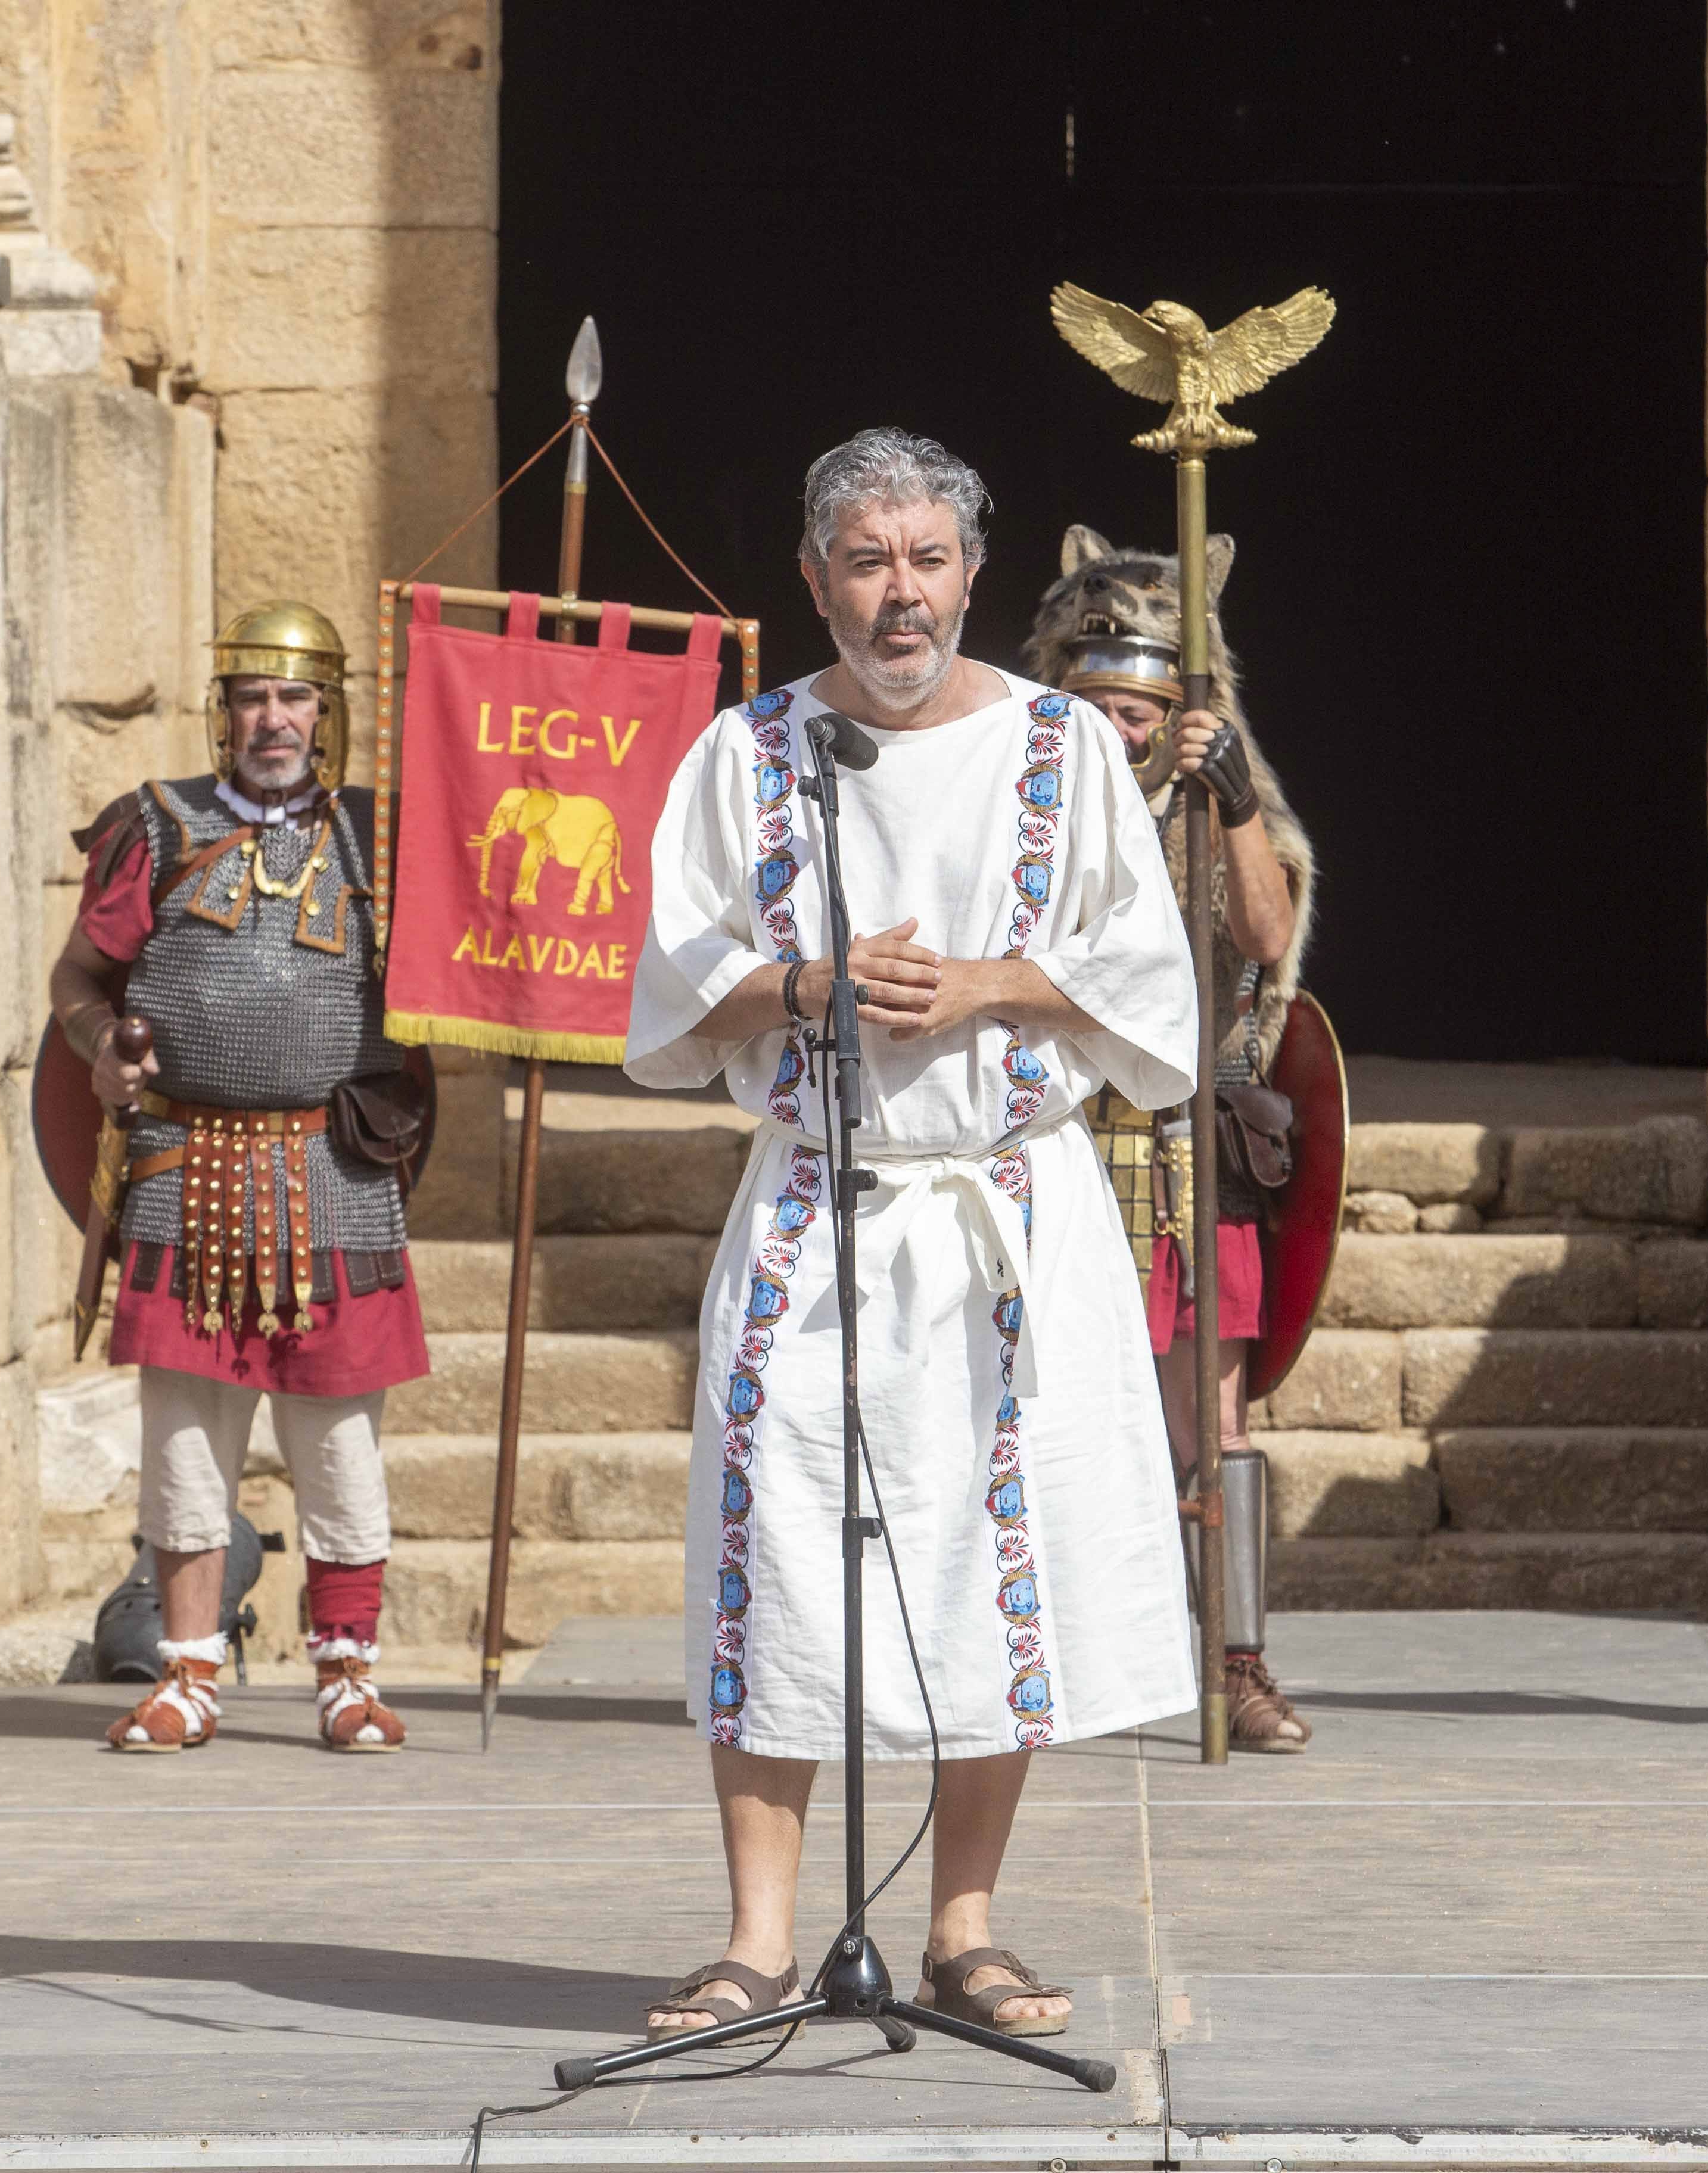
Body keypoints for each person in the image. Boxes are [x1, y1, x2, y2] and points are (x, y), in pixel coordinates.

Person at [625, 429, 1199, 2041]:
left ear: (972, 573)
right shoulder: (747, 756)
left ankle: (964, 1926)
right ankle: (754, 1941)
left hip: (1006, 1209)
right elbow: (669, 994)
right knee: (779, 1555)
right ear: (815, 579)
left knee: (982, 1562)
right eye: (866, 561)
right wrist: (809, 985)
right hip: (819, 1207)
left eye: (927, 559)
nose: (900, 594)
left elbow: (1148, 980)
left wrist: (986, 985)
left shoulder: (1066, 747)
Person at [48, 602, 432, 1756]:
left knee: (340, 1451)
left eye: (296, 696)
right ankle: (189, 1677)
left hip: (332, 1174)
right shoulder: (154, 829)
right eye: (253, 696)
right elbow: (79, 981)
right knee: (183, 1449)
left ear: (329, 714)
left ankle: (347, 1677)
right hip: (186, 1170)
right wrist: (99, 1045)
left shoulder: (383, 842)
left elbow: (475, 966)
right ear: (224, 713)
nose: (274, 718)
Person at [1021, 530, 1317, 1752]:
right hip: (1051, 1144)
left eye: (1141, 701)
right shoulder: (1020, 805)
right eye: (1098, 700)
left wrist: (1233, 795)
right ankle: (1058, 1660)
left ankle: (1235, 1662)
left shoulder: (1216, 803)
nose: (1122, 723)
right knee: (1048, 1419)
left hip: (1190, 1147)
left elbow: (1261, 936)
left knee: (1217, 1430)